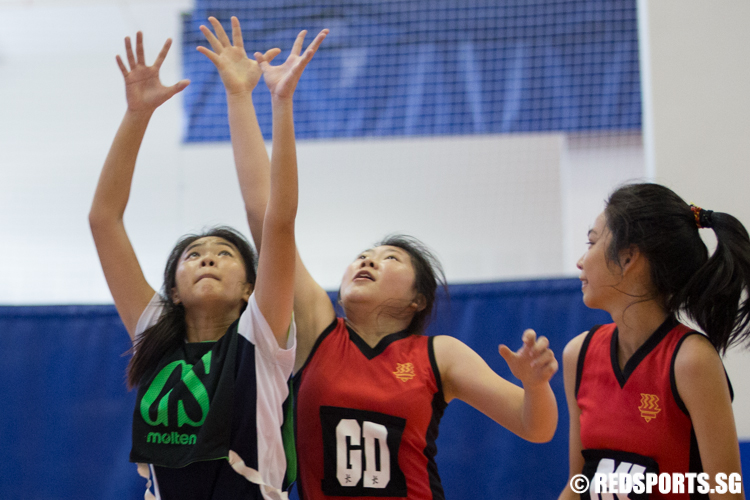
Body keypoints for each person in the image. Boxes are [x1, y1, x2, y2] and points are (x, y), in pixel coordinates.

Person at [219, 20, 560, 500]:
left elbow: (536, 427)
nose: (368, 259)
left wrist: (536, 385)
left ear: (418, 297)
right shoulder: (318, 328)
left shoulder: (439, 356)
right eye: (364, 254)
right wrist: (251, 99)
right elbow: (266, 216)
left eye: (390, 257)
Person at [89, 19, 324, 499]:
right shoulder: (154, 331)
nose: (208, 259)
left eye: (225, 254)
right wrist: (137, 115)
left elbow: (278, 219)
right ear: (174, 288)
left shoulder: (261, 335)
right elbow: (103, 220)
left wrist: (271, 102)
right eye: (194, 255)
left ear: (248, 288)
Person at [559, 183, 749, 500]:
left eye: (591, 242)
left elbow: (727, 494)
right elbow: (577, 486)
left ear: (629, 256)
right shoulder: (577, 355)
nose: (581, 260)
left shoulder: (691, 361)